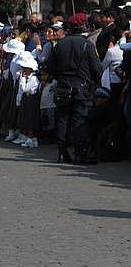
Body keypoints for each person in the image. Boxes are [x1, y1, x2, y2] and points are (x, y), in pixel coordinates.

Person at [46, 12, 102, 164]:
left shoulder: (59, 45)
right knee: (80, 120)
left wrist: (62, 77)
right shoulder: (87, 44)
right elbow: (97, 68)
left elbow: (50, 67)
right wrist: (95, 82)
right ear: (83, 26)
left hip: (63, 86)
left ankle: (63, 151)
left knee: (63, 119)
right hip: (82, 88)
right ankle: (80, 153)